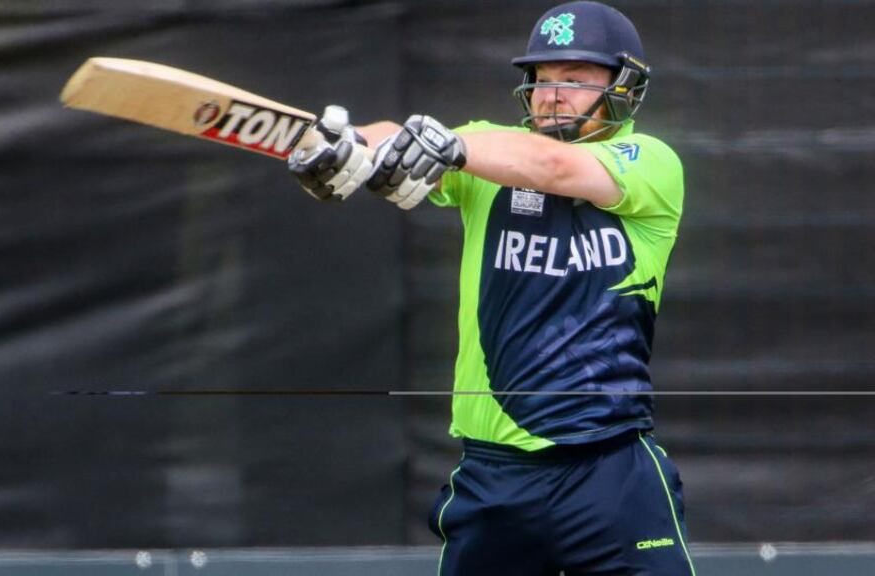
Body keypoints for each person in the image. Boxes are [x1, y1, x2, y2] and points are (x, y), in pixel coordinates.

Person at [289, 2, 693, 574]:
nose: (553, 94)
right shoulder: (488, 150)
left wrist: (449, 148)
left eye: (576, 79)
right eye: (543, 79)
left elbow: (552, 167)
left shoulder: (652, 163)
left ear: (623, 86)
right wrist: (356, 142)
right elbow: (401, 137)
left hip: (610, 472)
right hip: (493, 478)